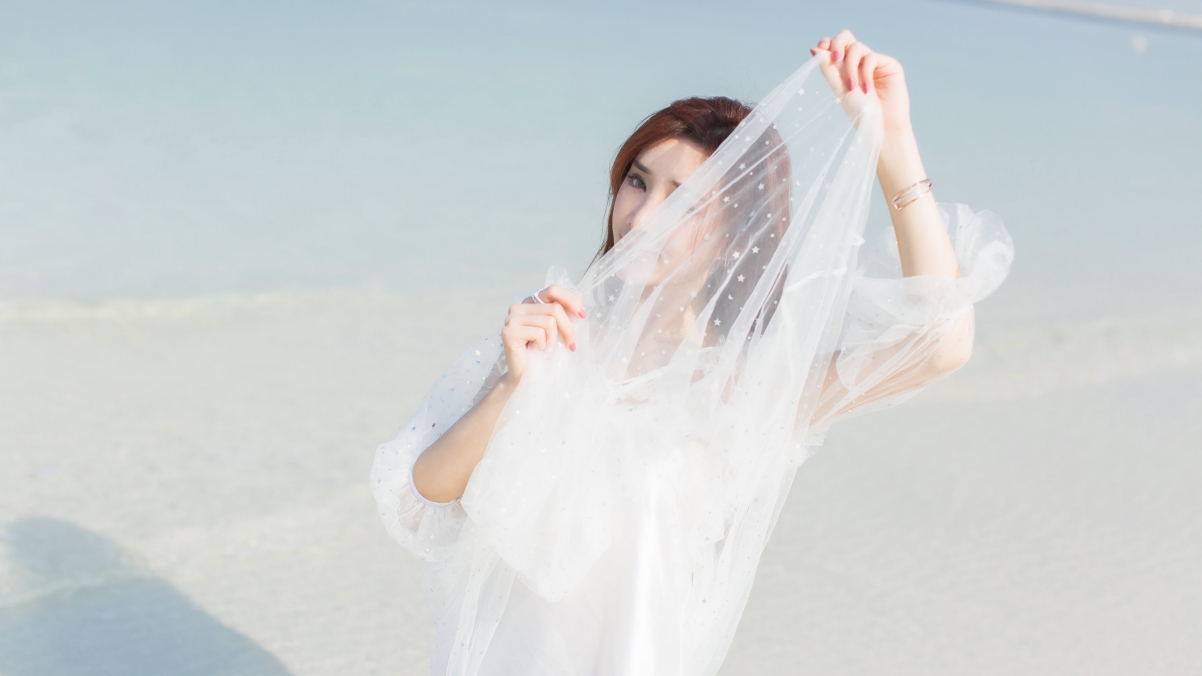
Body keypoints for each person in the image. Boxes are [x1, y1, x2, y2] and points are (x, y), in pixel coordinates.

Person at [372, 31, 1013, 676]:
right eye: (637, 183)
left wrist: (892, 142)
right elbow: (419, 504)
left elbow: (940, 344)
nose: (643, 218)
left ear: (739, 236)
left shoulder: (744, 385)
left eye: (684, 200)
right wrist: (510, 388)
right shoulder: (555, 332)